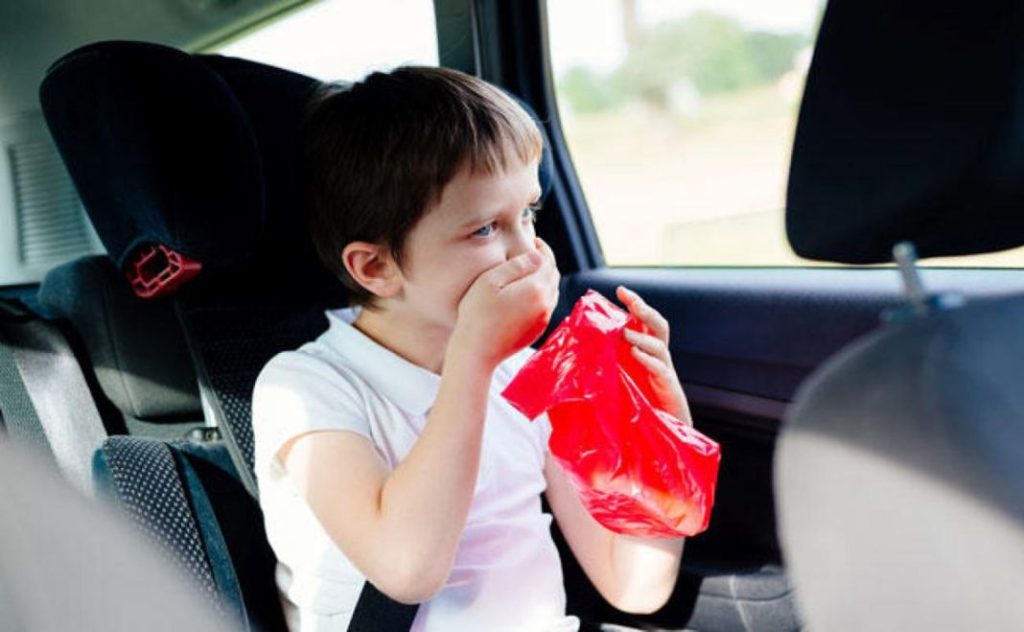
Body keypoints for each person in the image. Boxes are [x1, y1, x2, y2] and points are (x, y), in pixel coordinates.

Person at [252, 66, 692, 632]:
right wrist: (473, 359)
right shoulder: (304, 389)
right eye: (485, 229)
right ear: (377, 266)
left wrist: (660, 428)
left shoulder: (526, 375)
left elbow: (634, 584)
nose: (529, 252)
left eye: (528, 213)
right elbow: (407, 570)